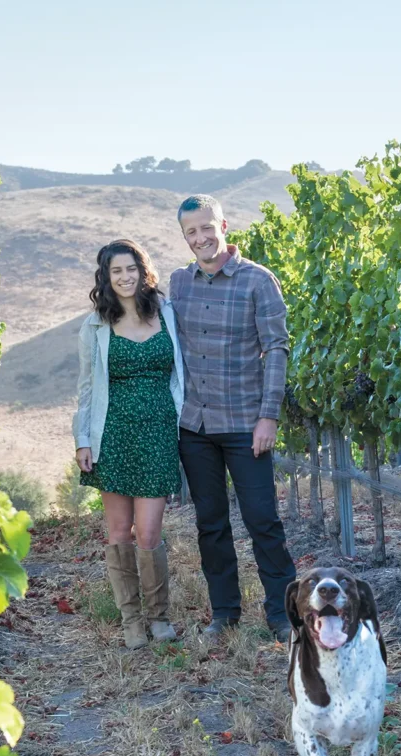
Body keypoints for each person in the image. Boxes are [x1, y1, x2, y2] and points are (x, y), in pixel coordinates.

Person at [170, 194, 296, 643]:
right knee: (211, 524)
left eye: (207, 227)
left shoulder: (258, 281)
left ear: (224, 225)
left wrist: (269, 417)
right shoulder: (179, 283)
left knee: (263, 520)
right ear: (184, 236)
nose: (201, 237)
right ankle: (224, 614)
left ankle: (283, 617)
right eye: (191, 231)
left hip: (246, 423)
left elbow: (277, 349)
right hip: (196, 428)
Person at [73, 239, 185, 650]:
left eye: (131, 269)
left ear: (143, 270)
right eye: (116, 271)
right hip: (113, 432)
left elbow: (181, 373)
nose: (125, 277)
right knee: (120, 531)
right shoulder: (96, 325)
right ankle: (131, 620)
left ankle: (158, 616)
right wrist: (82, 439)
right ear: (106, 277)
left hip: (158, 431)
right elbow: (86, 388)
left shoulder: (166, 313)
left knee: (149, 533)